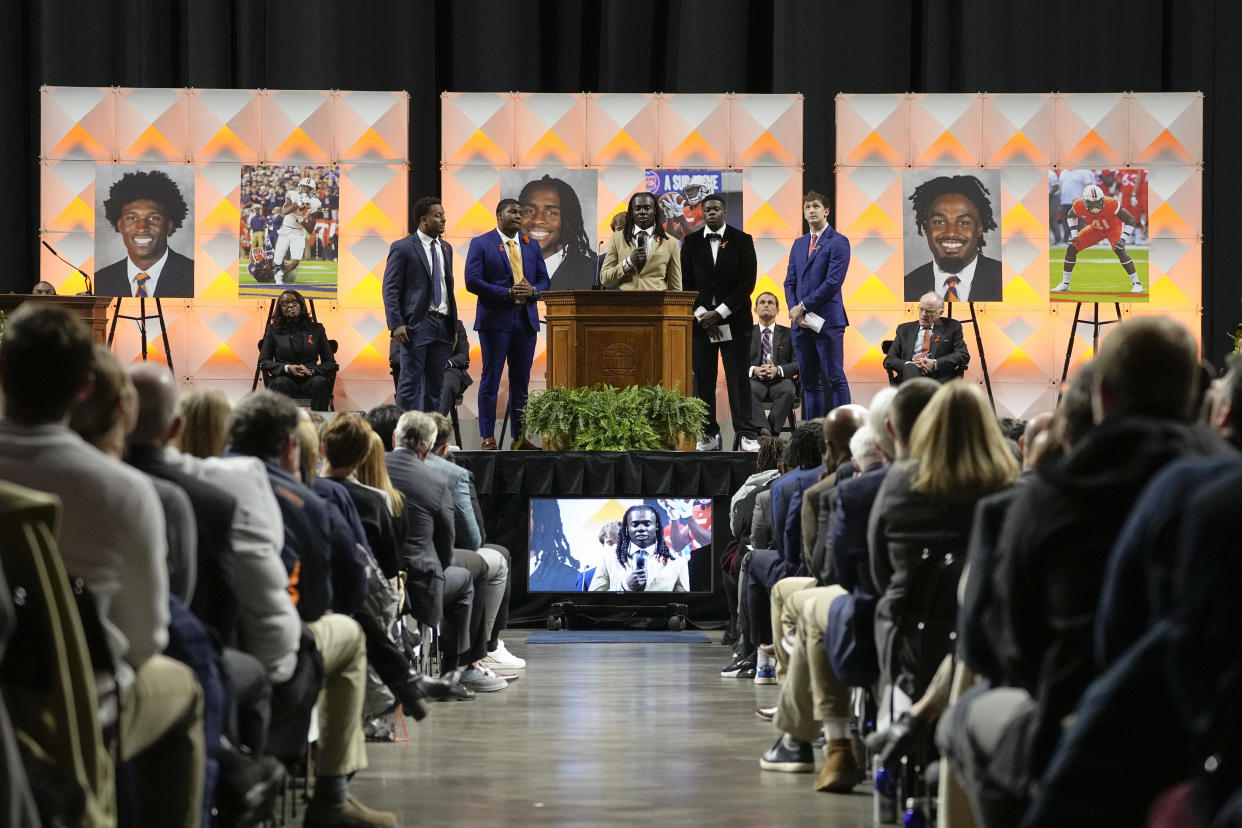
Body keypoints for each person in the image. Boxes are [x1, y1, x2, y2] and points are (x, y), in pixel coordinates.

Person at [0, 303, 205, 827]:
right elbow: (142, 643)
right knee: (183, 687)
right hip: (76, 708)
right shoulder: (124, 490)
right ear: (85, 388)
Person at [681, 193, 767, 452]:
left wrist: (720, 312)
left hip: (736, 322)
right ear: (702, 213)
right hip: (701, 325)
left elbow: (747, 283)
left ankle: (746, 434)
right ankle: (707, 433)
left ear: (724, 212)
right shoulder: (692, 241)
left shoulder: (742, 240)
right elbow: (685, 283)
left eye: (716, 209)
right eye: (707, 209)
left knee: (738, 379)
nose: (711, 213)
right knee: (702, 380)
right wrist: (701, 314)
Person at [464, 198, 551, 450]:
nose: (518, 216)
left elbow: (545, 280)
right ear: (499, 216)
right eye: (513, 212)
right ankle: (487, 436)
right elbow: (472, 281)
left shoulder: (531, 245)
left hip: (525, 322)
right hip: (495, 321)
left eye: (521, 213)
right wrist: (506, 293)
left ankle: (519, 437)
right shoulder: (481, 243)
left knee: (520, 382)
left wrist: (533, 290)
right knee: (491, 379)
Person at [383, 196, 457, 412]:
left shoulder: (446, 248)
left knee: (436, 387)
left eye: (443, 215)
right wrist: (396, 323)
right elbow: (391, 288)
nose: (444, 219)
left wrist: (452, 327)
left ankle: (430, 440)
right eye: (438, 215)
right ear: (424, 220)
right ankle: (405, 438)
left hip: (442, 324)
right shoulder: (403, 247)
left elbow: (447, 288)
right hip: (417, 324)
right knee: (409, 384)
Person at [783, 190, 850, 417]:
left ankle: (844, 431)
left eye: (815, 206)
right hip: (801, 324)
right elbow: (789, 282)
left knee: (835, 378)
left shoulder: (839, 242)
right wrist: (795, 311)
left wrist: (803, 306)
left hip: (827, 321)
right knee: (810, 383)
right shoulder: (799, 244)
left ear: (826, 211)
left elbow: (833, 282)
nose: (811, 210)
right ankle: (812, 433)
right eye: (807, 207)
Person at [96, 169, 195, 298]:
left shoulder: (195, 275)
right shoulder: (101, 281)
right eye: (132, 218)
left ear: (169, 226)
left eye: (154, 218)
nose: (142, 227)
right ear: (120, 225)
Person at [904, 174, 1002, 302]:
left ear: (979, 228)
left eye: (963, 223)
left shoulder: (1006, 279)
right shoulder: (907, 286)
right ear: (926, 227)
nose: (951, 233)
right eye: (939, 222)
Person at [1051, 183, 1145, 294]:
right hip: (1095, 229)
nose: (1095, 206)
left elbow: (1131, 220)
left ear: (1102, 200)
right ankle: (1065, 284)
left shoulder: (1111, 203)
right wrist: (1074, 235)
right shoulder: (1078, 204)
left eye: (1097, 202)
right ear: (1085, 202)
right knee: (1072, 248)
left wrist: (1123, 239)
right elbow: (1071, 215)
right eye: (1091, 203)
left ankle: (1137, 283)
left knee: (1120, 250)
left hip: (1113, 228)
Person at [259, 289, 337, 411]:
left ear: (301, 305)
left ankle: (318, 425)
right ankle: (282, 427)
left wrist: (310, 370)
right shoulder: (273, 330)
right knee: (280, 384)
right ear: (280, 309)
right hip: (285, 378)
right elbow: (264, 361)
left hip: (311, 378)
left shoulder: (317, 330)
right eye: (285, 303)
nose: (290, 305)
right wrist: (286, 368)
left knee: (320, 383)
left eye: (294, 302)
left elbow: (330, 363)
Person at [518, 175, 597, 289]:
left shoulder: (592, 274)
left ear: (568, 220)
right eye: (529, 211)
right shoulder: (503, 266)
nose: (538, 219)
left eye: (551, 212)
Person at [589, 505, 689, 592]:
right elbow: (593, 600)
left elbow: (682, 603)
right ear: (627, 528)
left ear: (657, 526)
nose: (641, 528)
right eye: (635, 524)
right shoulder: (609, 559)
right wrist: (624, 587)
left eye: (647, 524)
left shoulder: (677, 562)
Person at [599, 192, 683, 290]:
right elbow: (605, 279)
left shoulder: (671, 242)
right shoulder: (617, 238)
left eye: (647, 208)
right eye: (637, 208)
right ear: (631, 212)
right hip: (626, 303)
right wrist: (629, 262)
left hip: (657, 303)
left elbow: (676, 287)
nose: (642, 212)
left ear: (655, 210)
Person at [883, 292, 970, 383]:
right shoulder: (904, 329)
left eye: (929, 311)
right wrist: (909, 365)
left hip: (938, 379)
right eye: (921, 309)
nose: (924, 314)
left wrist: (935, 363)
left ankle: (916, 394)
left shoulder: (952, 327)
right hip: (909, 377)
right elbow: (889, 359)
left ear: (940, 312)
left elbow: (963, 355)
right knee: (911, 368)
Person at [748, 292, 800, 434]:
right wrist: (754, 370)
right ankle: (765, 431)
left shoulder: (789, 334)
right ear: (755, 309)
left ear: (777, 310)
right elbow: (738, 363)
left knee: (788, 390)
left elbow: (799, 363)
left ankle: (768, 433)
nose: (766, 304)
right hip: (754, 381)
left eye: (770, 302)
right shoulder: (746, 334)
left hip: (780, 380)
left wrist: (778, 370)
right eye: (762, 302)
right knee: (746, 390)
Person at [272, 176, 322, 283]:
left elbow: (310, 229)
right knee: (277, 260)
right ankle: (274, 273)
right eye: (303, 187)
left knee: (295, 261)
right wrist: (298, 204)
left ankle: (280, 274)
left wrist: (302, 221)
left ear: (312, 190)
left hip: (298, 233)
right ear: (299, 187)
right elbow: (284, 211)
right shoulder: (292, 195)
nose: (305, 190)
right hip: (286, 230)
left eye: (307, 188)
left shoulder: (315, 203)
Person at [438, 319, 473, 417]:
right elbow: (396, 355)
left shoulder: (456, 325)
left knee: (445, 385)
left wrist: (447, 363)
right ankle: (416, 429)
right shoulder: (410, 323)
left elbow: (463, 355)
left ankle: (436, 428)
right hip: (419, 370)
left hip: (449, 370)